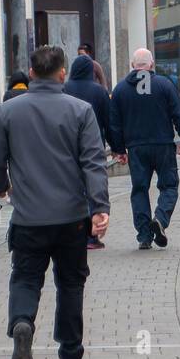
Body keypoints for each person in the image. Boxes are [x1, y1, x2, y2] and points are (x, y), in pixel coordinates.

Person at [0, 46, 110, 359]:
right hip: (71, 217)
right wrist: (99, 207)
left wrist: (1, 186)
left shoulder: (9, 111)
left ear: (31, 72)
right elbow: (93, 162)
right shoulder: (81, 111)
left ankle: (22, 322)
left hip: (28, 217)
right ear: (62, 73)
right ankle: (70, 353)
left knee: (25, 277)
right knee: (70, 283)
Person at [109, 48, 180, 250]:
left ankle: (144, 236)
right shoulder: (164, 84)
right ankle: (160, 219)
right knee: (169, 186)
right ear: (151, 64)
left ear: (131, 65)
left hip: (136, 148)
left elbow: (114, 124)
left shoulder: (120, 90)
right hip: (162, 144)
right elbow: (178, 113)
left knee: (139, 190)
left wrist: (119, 149)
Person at [63, 53, 113, 250]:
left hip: (68, 147)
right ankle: (92, 235)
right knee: (93, 187)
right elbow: (109, 122)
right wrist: (117, 147)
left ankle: (75, 231)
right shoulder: (99, 91)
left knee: (73, 189)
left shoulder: (64, 89)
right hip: (93, 146)